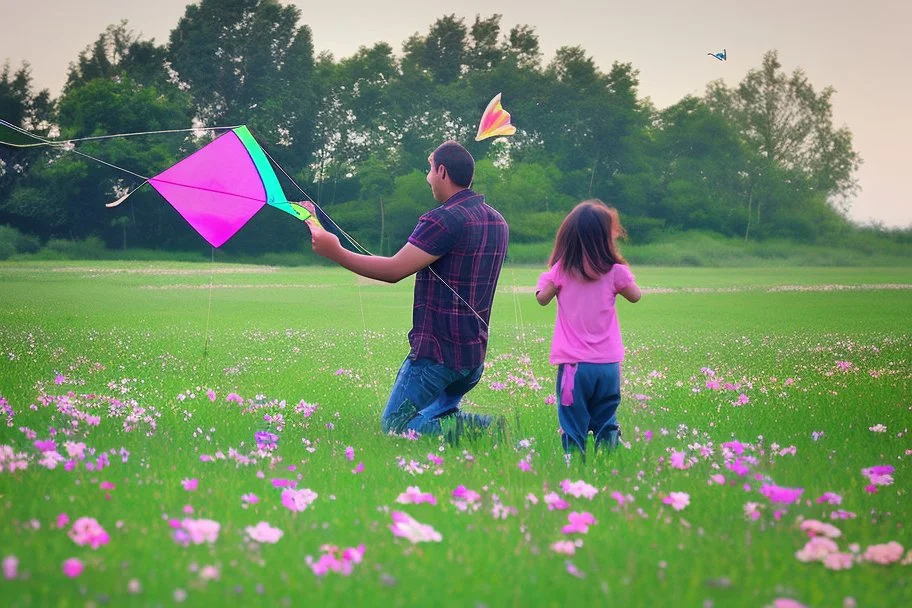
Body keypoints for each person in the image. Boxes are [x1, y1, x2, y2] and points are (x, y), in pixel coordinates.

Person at [309, 140, 509, 439]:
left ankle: (487, 430)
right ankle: (469, 427)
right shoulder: (497, 221)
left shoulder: (442, 219)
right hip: (472, 359)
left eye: (429, 170)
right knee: (437, 416)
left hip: (438, 357)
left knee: (397, 426)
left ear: (442, 171)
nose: (428, 178)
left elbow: (394, 270)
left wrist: (335, 252)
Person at [535, 200, 641, 454]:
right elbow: (635, 295)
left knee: (572, 421)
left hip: (573, 367)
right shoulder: (615, 272)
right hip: (607, 365)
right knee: (606, 419)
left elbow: (542, 298)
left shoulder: (561, 270)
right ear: (606, 238)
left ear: (568, 236)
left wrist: (550, 279)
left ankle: (574, 465)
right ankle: (608, 462)